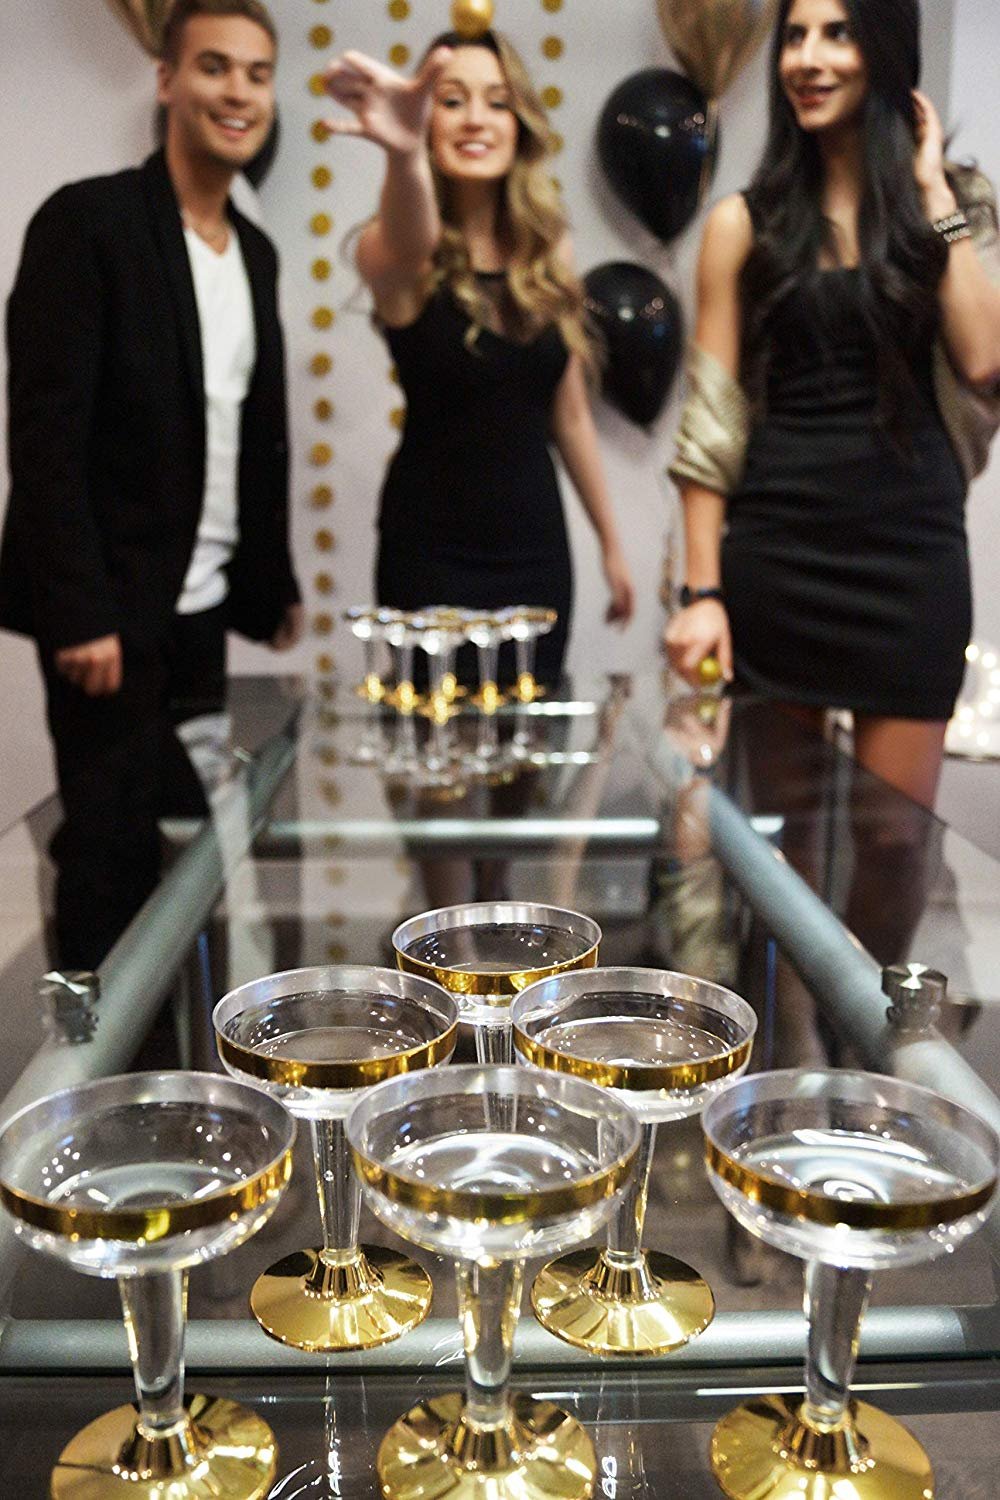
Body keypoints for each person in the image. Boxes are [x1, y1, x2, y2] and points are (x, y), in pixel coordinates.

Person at [0, 0, 302, 970]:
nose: (238, 91)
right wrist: (77, 611)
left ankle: (175, 1046)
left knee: (190, 850)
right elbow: (45, 437)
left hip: (199, 612)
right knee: (108, 855)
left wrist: (271, 581)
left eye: (257, 73)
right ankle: (92, 1049)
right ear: (168, 80)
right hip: (110, 617)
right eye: (215, 67)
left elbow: (251, 432)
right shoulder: (88, 223)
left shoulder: (254, 250)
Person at [665, 0, 1000, 810]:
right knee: (781, 852)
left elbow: (986, 360)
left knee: (895, 839)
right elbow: (710, 424)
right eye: (795, 37)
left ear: (884, 49)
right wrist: (702, 595)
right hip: (778, 560)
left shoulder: (952, 205)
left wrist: (931, 191)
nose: (807, 59)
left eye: (837, 33)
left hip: (910, 563)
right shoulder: (743, 224)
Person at [324, 29, 635, 687]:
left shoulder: (549, 252)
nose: (475, 119)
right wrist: (402, 154)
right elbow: (411, 238)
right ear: (425, 120)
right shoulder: (394, 250)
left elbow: (570, 415)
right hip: (430, 554)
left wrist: (611, 543)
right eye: (452, 100)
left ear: (520, 124)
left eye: (497, 102)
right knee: (432, 744)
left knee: (529, 741)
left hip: (535, 553)